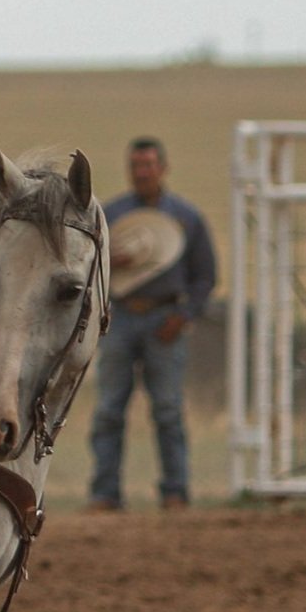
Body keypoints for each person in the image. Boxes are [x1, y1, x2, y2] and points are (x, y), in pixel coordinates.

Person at [87, 138, 216, 512]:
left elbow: (204, 276)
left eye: (148, 165)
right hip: (120, 316)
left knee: (168, 410)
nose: (142, 173)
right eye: (136, 166)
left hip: (166, 319)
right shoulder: (110, 216)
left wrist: (185, 316)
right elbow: (88, 267)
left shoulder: (187, 218)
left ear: (163, 167)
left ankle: (175, 492)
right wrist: (113, 264)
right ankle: (105, 493)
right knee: (109, 409)